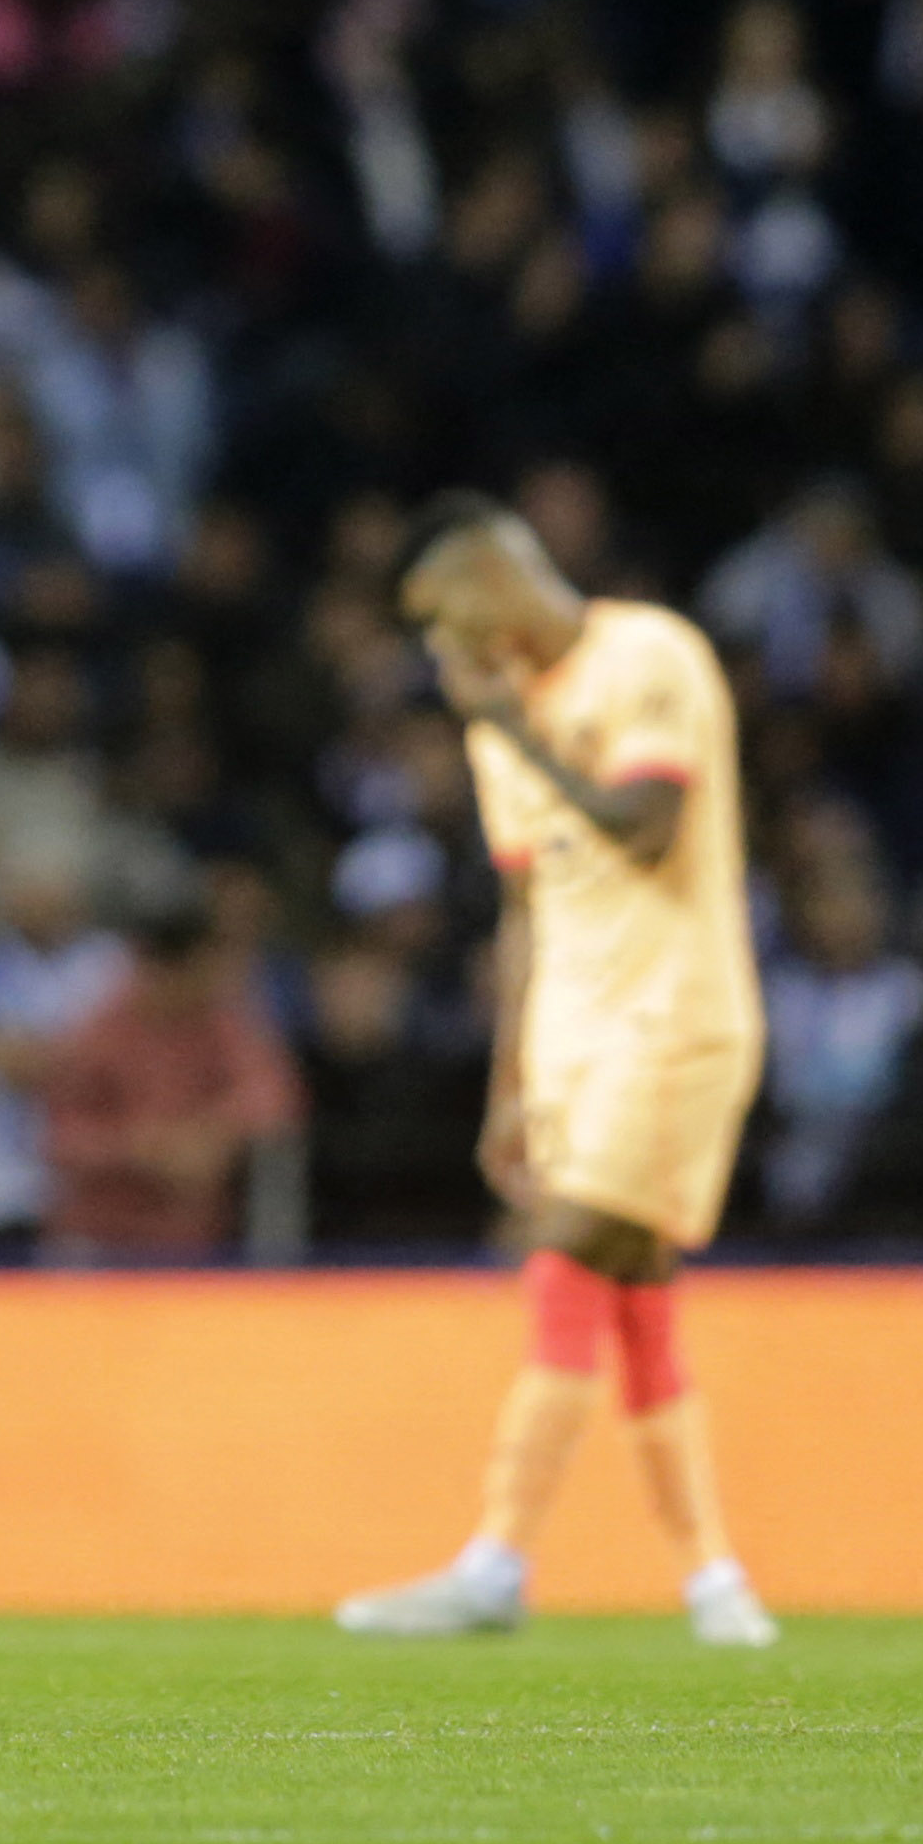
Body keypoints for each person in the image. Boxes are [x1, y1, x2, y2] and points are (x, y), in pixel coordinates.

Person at [337, 496, 778, 1651]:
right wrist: (509, 1082)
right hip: (571, 1041)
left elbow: (641, 825)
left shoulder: (646, 655)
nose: (440, 654)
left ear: (495, 580)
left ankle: (491, 1563)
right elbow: (528, 906)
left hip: (674, 1015)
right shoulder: (496, 728)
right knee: (631, 1290)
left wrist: (521, 730)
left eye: (442, 621)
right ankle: (713, 1583)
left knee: (564, 1249)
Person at [37, 895, 301, 1262]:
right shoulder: (96, 1033)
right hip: (100, 1243)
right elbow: (59, 1139)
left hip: (199, 1244)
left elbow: (274, 1096)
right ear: (160, 967)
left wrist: (209, 1134)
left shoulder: (222, 1021)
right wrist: (140, 1149)